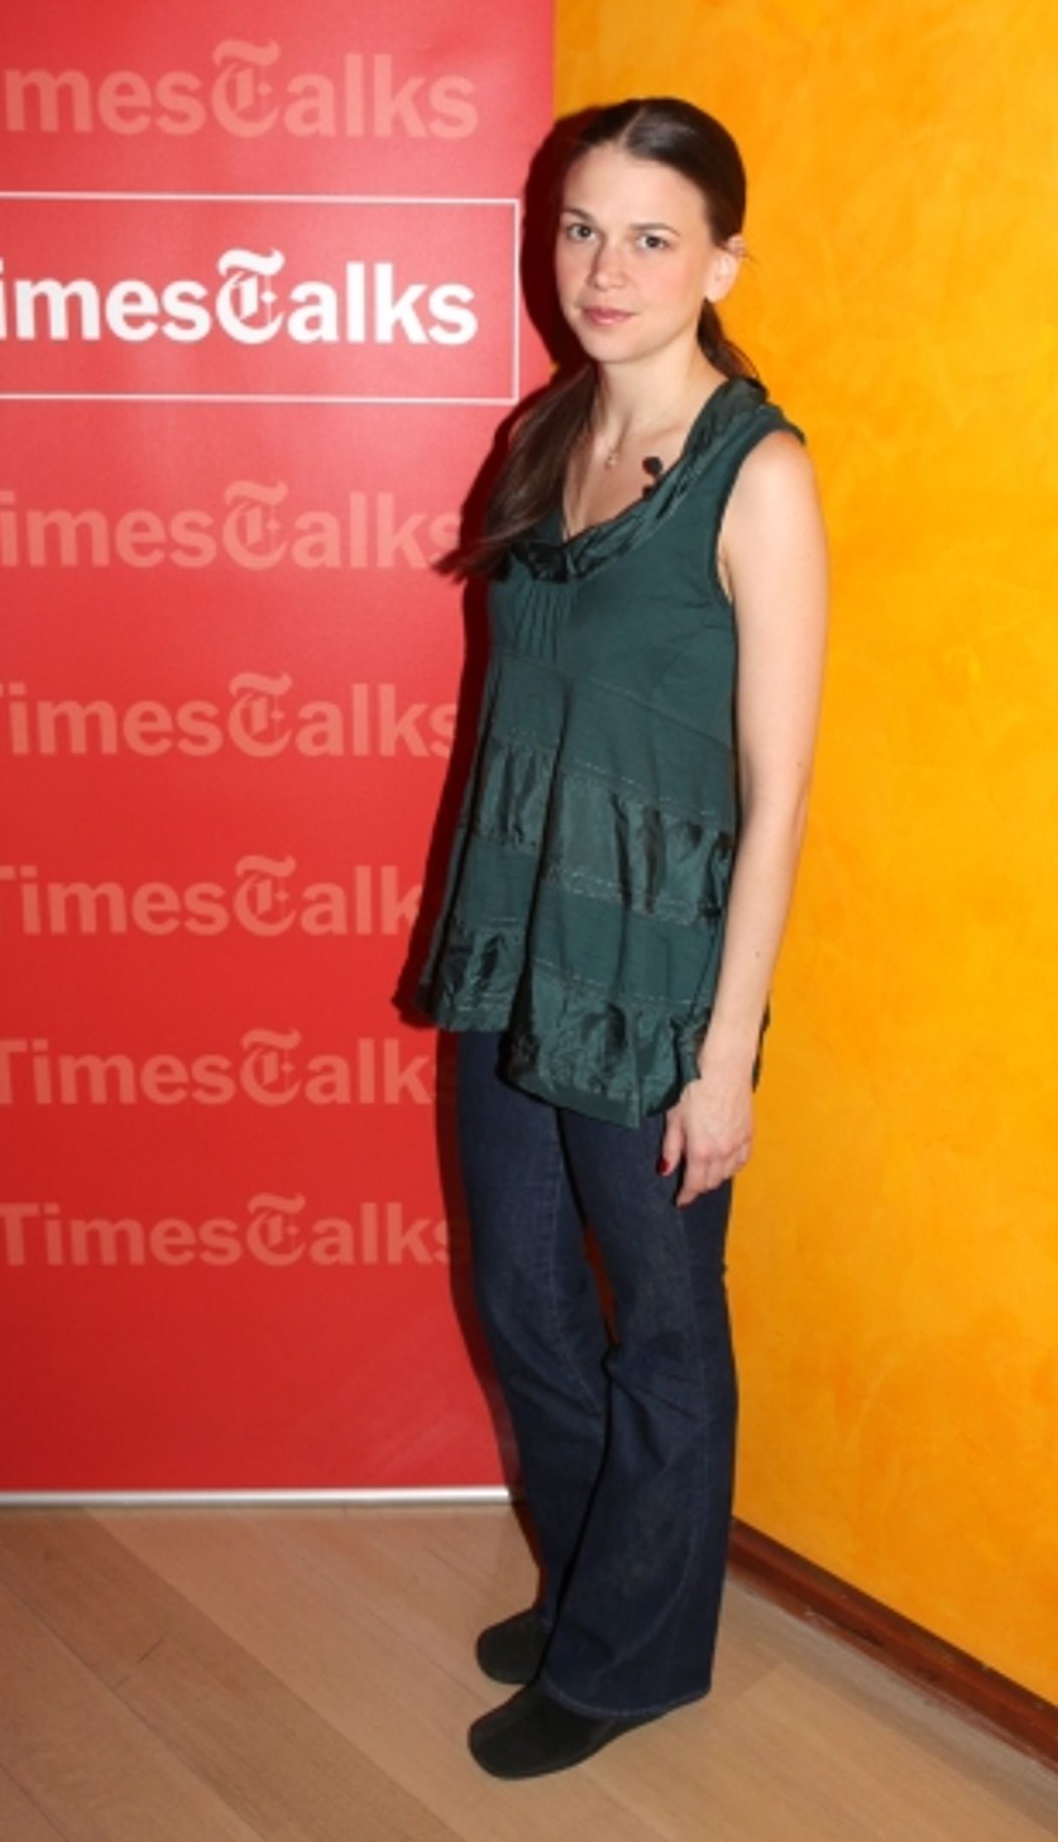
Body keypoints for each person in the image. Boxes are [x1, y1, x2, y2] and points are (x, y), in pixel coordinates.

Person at [413, 96, 829, 1780]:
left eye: (650, 236)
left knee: (661, 1331)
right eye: (581, 226)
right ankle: (600, 1571)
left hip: (659, 979)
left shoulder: (765, 474)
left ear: (723, 257)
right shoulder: (545, 432)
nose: (602, 266)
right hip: (512, 935)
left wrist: (724, 1062)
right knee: (520, 1293)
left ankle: (636, 1653)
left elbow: (779, 794)